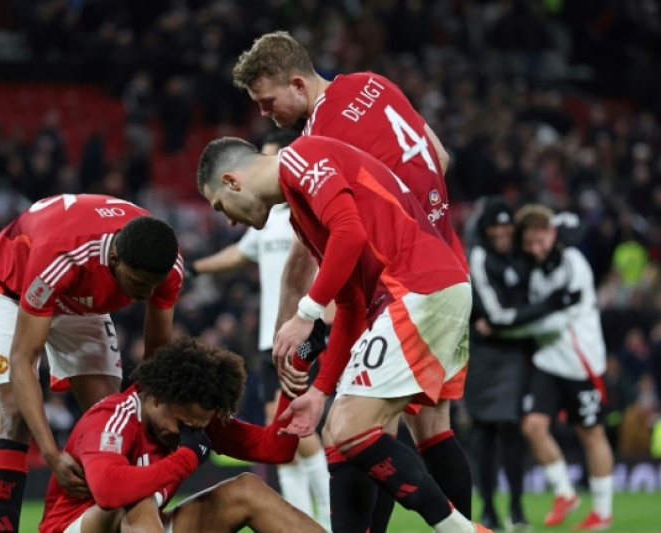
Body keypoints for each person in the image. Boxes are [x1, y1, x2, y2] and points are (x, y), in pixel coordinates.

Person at [232, 30, 472, 531]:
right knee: (429, 425)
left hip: (400, 277)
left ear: (297, 85)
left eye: (267, 101)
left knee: (357, 422)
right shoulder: (372, 83)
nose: (265, 114)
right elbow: (440, 155)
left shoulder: (318, 140)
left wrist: (290, 321)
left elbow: (313, 246)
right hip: (446, 256)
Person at [197, 135, 487, 533]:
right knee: (338, 434)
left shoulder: (299, 157)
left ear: (232, 182)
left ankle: (463, 530)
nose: (228, 220)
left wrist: (306, 312)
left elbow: (349, 233)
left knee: (352, 426)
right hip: (411, 294)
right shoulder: (301, 214)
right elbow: (350, 304)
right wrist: (319, 392)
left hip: (416, 288)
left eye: (220, 206)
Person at [0, 194, 183, 533]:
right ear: (114, 258)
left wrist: (150, 419)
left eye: (153, 286)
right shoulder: (63, 255)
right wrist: (51, 455)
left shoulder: (167, 264)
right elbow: (23, 359)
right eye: (137, 284)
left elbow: (156, 357)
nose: (146, 295)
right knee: (15, 413)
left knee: (111, 418)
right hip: (12, 288)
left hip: (79, 299)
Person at [188, 129, 331, 529]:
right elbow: (238, 253)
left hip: (305, 335)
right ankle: (301, 520)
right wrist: (194, 268)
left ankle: (328, 517)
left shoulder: (308, 212)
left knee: (301, 430)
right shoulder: (265, 221)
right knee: (280, 430)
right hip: (273, 340)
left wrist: (326, 317)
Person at [38, 337, 327, 533]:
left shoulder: (195, 420)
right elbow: (109, 491)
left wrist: (297, 371)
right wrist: (186, 459)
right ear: (156, 398)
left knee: (247, 489)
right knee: (137, 499)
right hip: (74, 527)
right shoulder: (112, 418)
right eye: (181, 424)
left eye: (196, 427)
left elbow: (275, 449)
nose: (185, 435)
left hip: (144, 526)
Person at [496, 204, 615, 531]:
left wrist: (508, 327)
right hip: (548, 360)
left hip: (581, 363)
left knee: (591, 434)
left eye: (541, 241)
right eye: (529, 243)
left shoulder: (574, 264)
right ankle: (565, 493)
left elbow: (559, 320)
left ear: (552, 235)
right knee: (533, 426)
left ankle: (602, 513)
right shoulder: (534, 271)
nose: (536, 248)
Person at [465, 197, 581, 530]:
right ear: (486, 229)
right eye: (496, 227)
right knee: (483, 431)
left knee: (512, 428)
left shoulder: (523, 252)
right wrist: (550, 305)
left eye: (506, 226)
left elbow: (568, 228)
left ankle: (516, 508)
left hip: (516, 352)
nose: (502, 232)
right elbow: (496, 315)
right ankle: (489, 508)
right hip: (484, 355)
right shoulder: (479, 256)